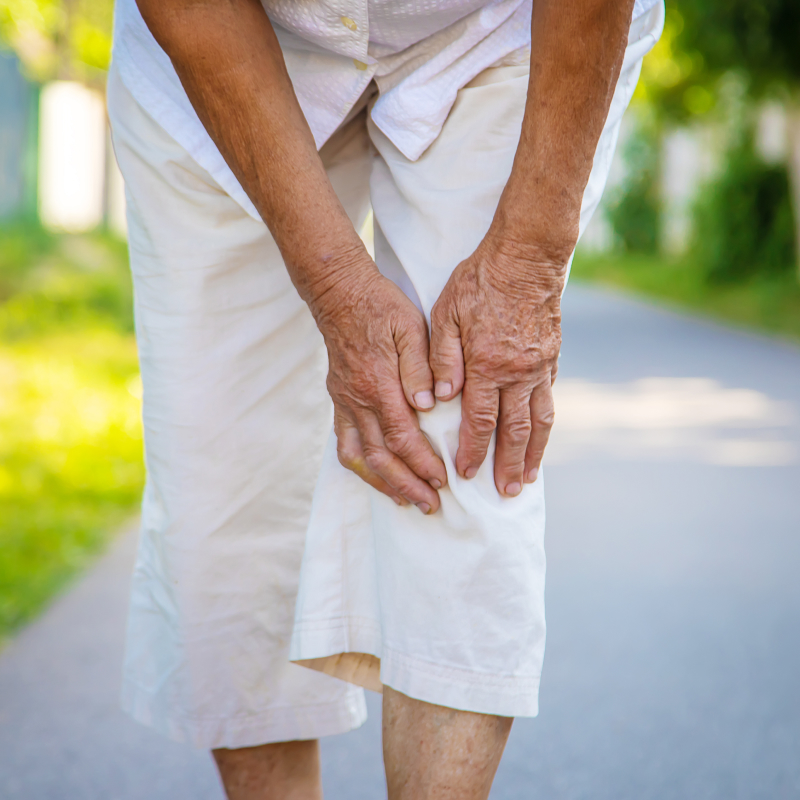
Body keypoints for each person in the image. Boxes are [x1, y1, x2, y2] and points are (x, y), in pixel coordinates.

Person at [108, 0, 663, 797]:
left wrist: (528, 263)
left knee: (461, 444)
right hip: (224, 41)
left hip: (498, 30)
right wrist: (335, 287)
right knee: (230, 502)